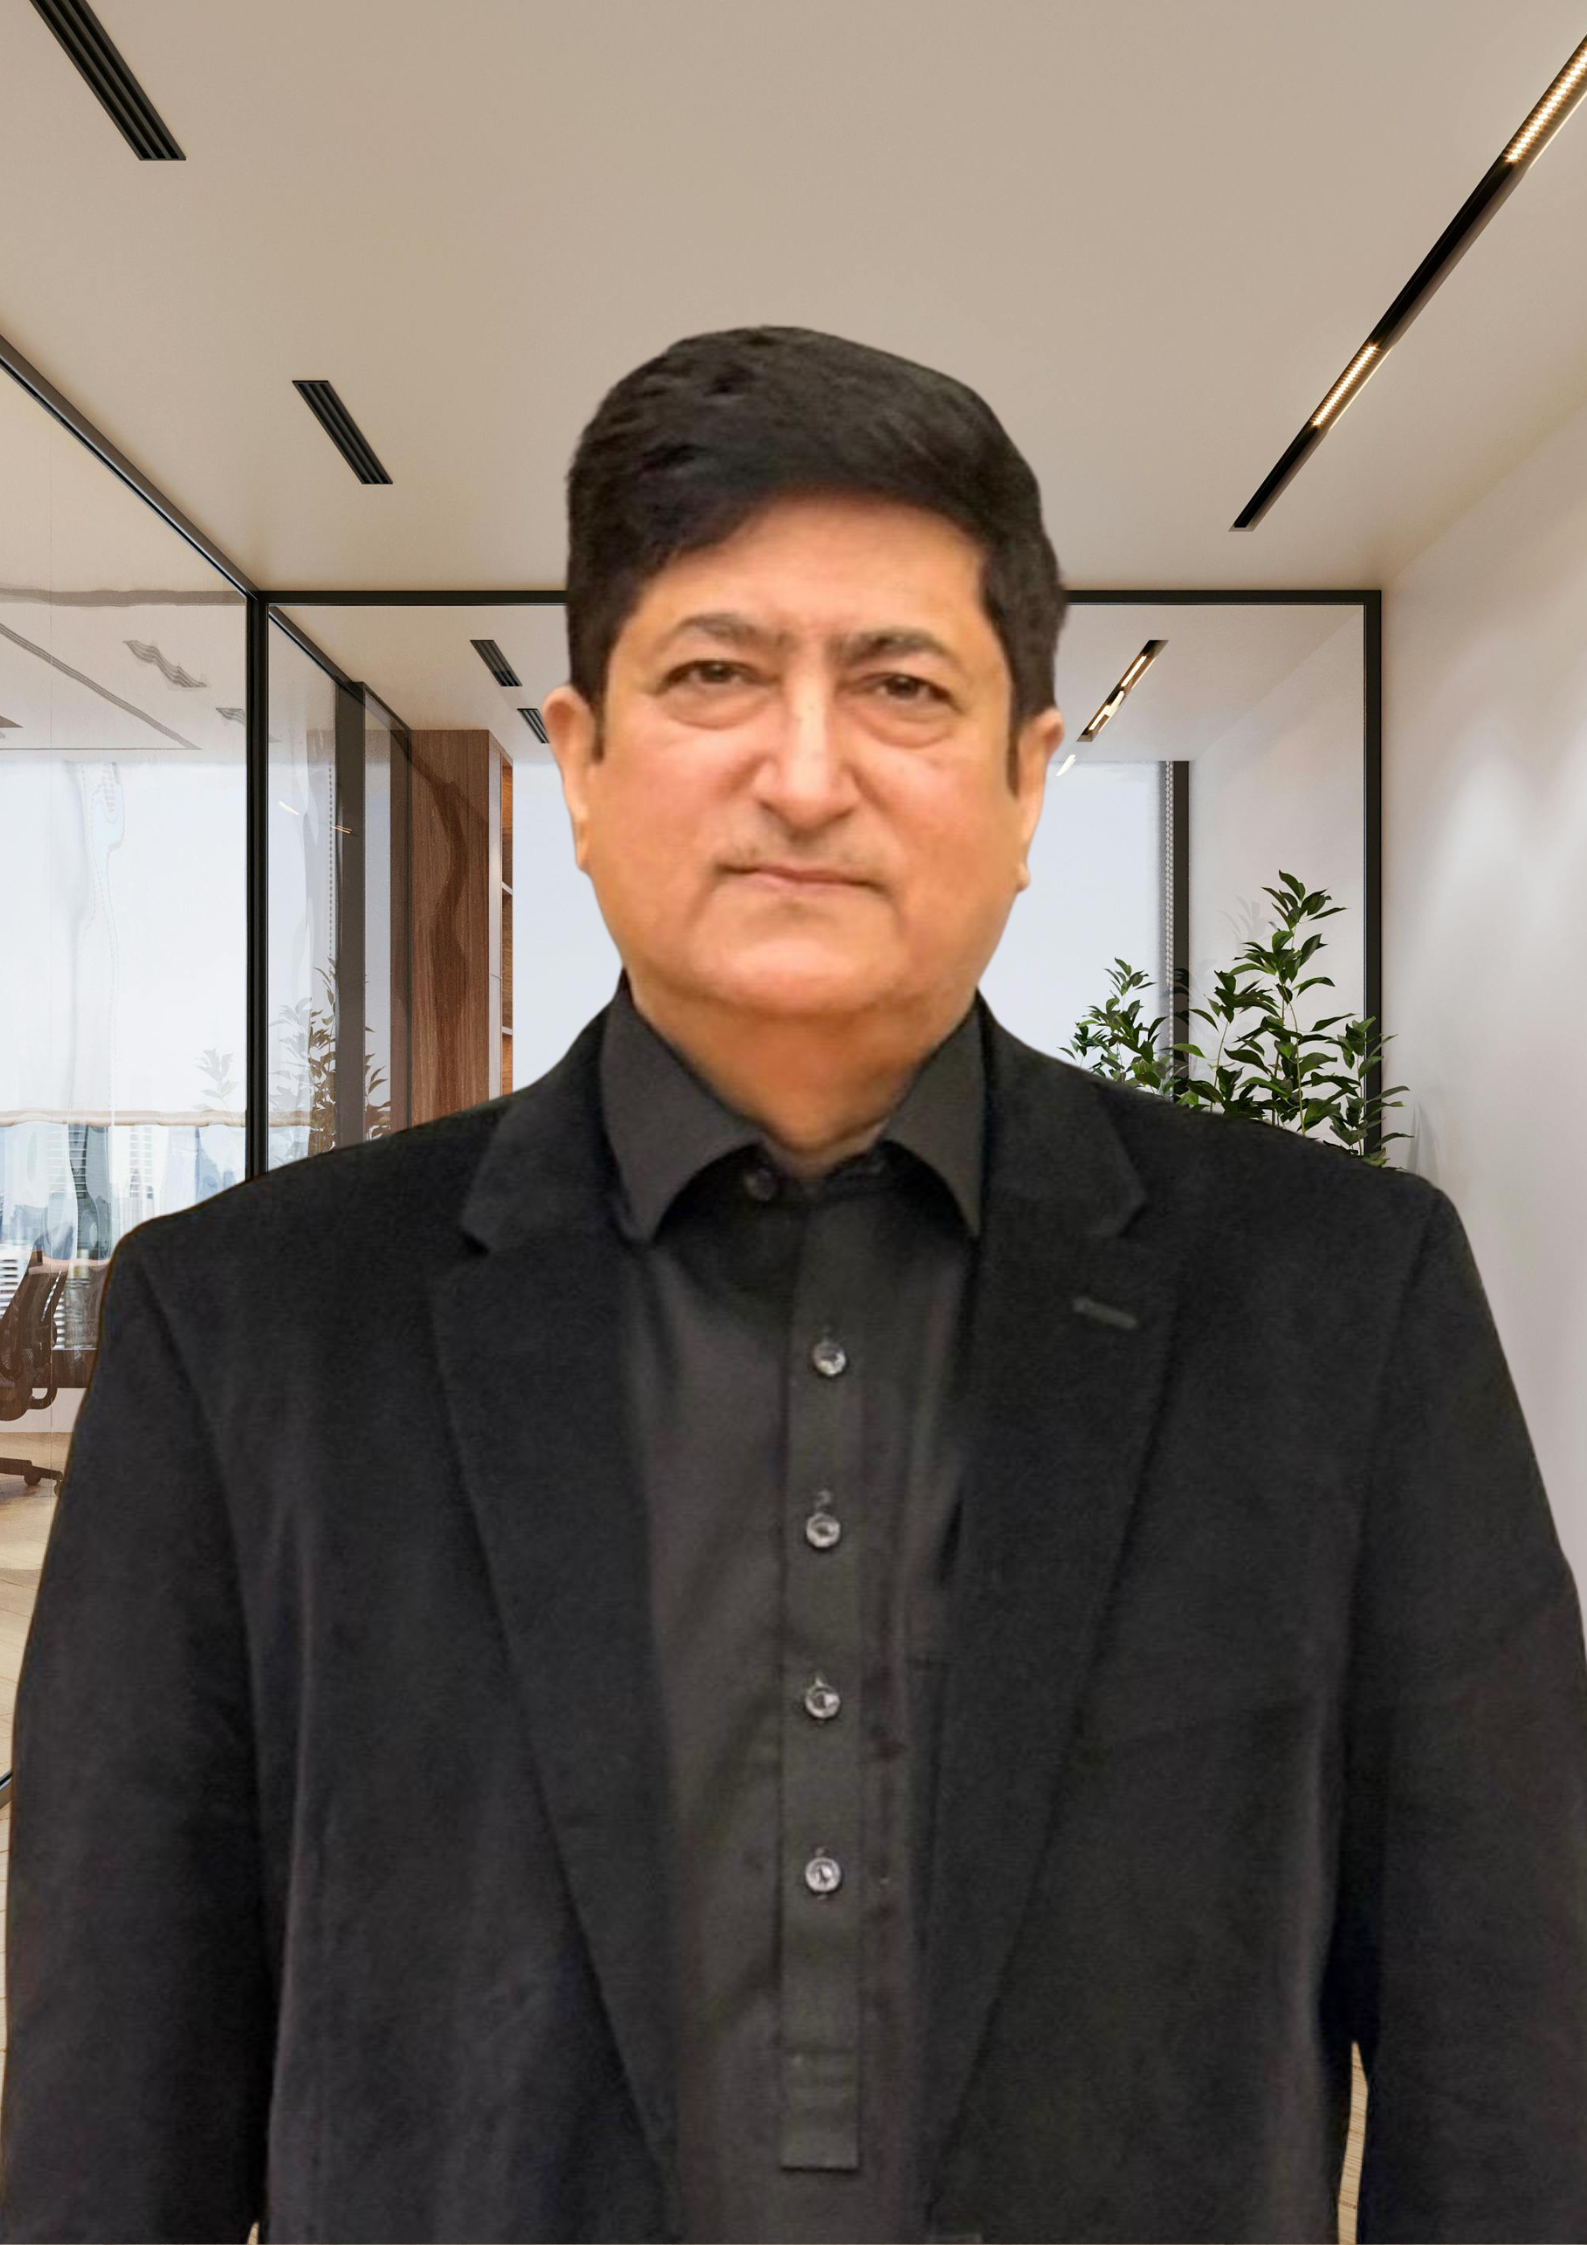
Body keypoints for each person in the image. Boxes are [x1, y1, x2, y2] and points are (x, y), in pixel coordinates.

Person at [2, 325, 1584, 2245]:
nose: (806, 772)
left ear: (1026, 779)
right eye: (713, 674)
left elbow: (1510, 2061)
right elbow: (112, 2106)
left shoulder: (1336, 1299)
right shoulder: (250, 1326)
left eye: (901, 685)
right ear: (580, 763)